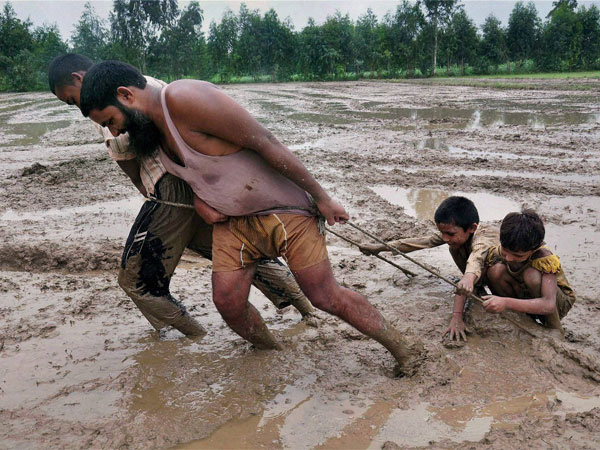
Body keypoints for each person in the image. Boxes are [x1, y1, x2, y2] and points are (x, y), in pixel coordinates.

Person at [79, 60, 416, 370]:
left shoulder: (183, 98)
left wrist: (321, 197)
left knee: (325, 296)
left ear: (126, 95)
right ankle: (274, 357)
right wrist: (200, 204)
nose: (116, 131)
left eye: (111, 121)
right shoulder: (149, 135)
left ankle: (405, 351)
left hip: (282, 212)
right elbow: (195, 175)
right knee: (227, 302)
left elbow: (265, 142)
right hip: (233, 225)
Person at [48, 54, 315, 338]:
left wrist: (155, 198)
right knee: (238, 250)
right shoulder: (146, 85)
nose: (78, 108)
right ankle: (308, 311)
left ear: (79, 78)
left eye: (71, 100)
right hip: (192, 184)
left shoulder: (108, 102)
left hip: (169, 189)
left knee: (136, 280)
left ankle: (193, 338)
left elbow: (131, 164)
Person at [359, 196, 499, 342]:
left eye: (450, 234)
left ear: (472, 228)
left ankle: (489, 292)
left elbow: (476, 259)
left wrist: (467, 280)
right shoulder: (455, 232)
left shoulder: (483, 240)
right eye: (442, 233)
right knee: (454, 248)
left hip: (502, 277)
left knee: (494, 269)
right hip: (476, 272)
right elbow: (422, 242)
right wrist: (380, 247)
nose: (445, 238)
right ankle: (475, 286)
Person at [482, 210, 575, 333]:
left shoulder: (544, 258)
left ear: (534, 249)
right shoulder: (504, 248)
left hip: (556, 303)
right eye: (505, 251)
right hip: (525, 295)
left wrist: (505, 302)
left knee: (531, 276)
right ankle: (522, 319)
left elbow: (549, 305)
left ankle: (555, 330)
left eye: (518, 255)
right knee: (495, 270)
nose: (509, 258)